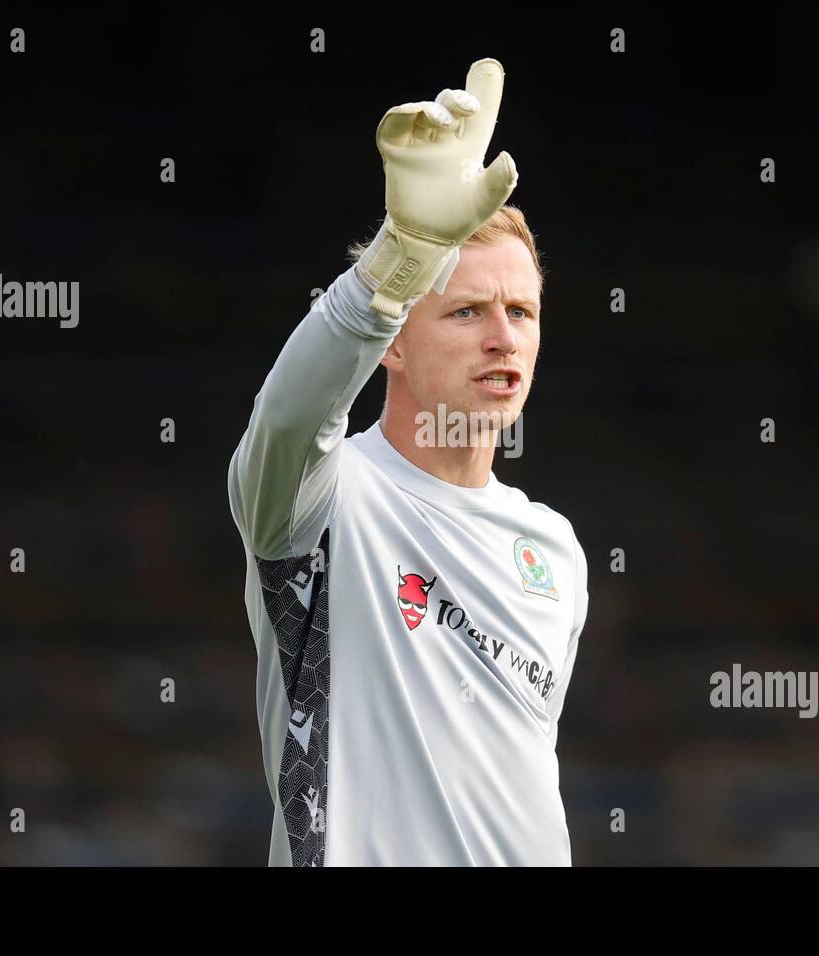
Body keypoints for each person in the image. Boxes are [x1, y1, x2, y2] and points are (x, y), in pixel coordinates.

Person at [228, 58, 588, 866]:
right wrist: (398, 261)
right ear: (391, 341)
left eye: (521, 311)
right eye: (466, 311)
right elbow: (290, 416)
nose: (504, 338)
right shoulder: (320, 502)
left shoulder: (554, 548)